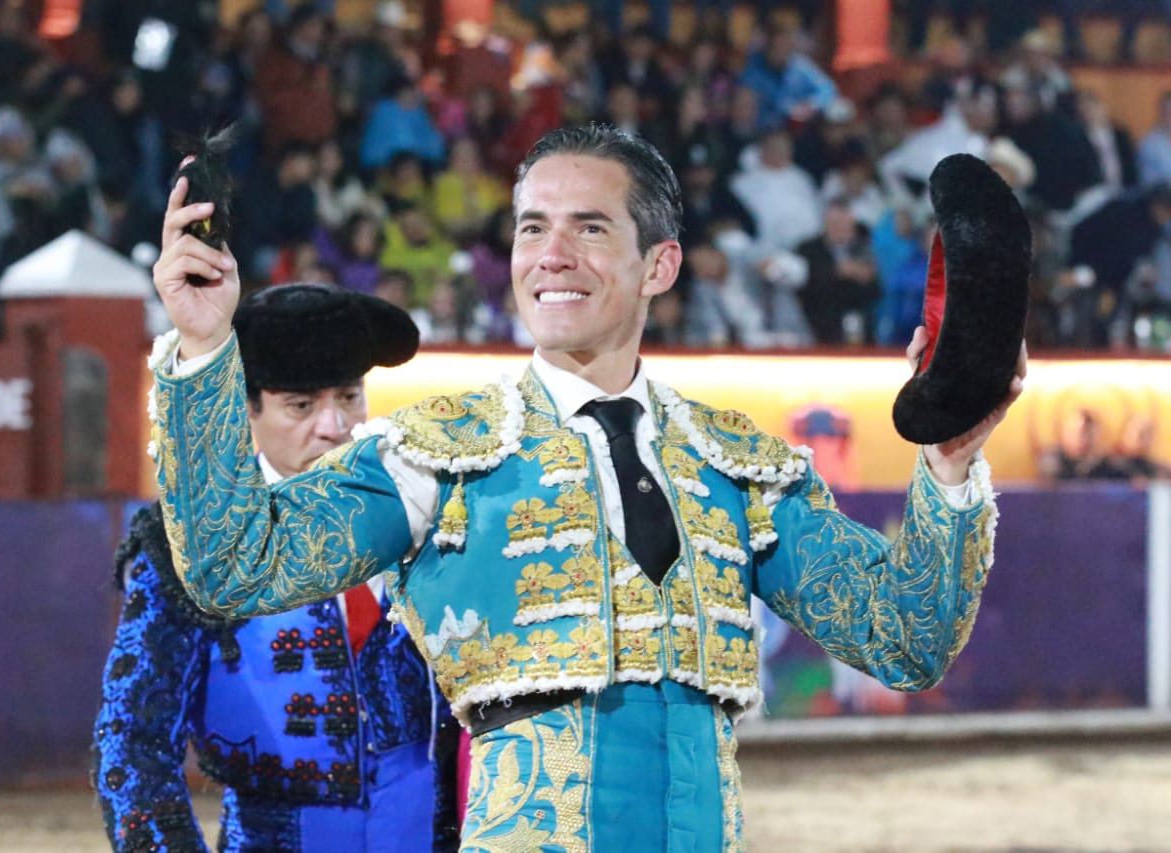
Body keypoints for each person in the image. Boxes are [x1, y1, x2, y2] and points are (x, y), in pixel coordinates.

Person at [148, 123, 1023, 848]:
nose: (550, 256)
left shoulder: (736, 465)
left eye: (590, 227)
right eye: (532, 227)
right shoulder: (436, 453)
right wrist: (200, 353)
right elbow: (235, 566)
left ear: (661, 265)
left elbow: (905, 637)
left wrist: (949, 464)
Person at [91, 284, 460, 851]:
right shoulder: (185, 544)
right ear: (247, 408)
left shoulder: (433, 520)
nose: (336, 427)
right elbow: (133, 739)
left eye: (349, 396)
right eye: (302, 405)